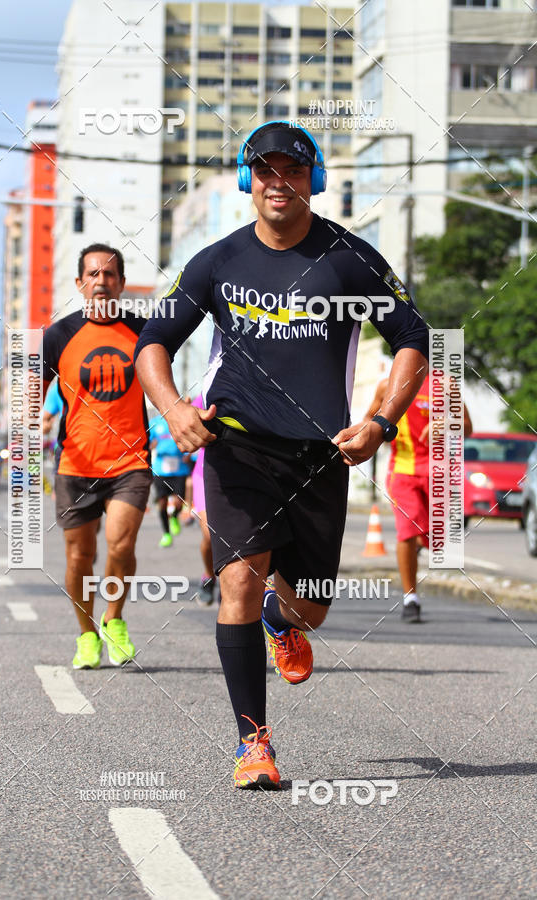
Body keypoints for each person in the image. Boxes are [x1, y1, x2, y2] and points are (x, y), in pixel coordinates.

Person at [135, 120, 430, 789]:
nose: (278, 183)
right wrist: (176, 409)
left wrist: (383, 420)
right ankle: (253, 745)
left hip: (322, 455)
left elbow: (414, 337)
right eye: (265, 171)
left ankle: (282, 619)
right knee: (238, 577)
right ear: (248, 180)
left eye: (292, 171)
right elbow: (153, 341)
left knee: (311, 606)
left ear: (312, 180)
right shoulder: (218, 261)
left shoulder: (351, 259)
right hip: (236, 444)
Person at [42, 243, 152, 670]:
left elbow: (161, 381)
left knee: (120, 543)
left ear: (121, 283)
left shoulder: (144, 332)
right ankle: (86, 633)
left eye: (109, 275)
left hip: (130, 461)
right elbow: (35, 389)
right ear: (79, 283)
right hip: (76, 464)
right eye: (93, 274)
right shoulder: (59, 335)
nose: (101, 282)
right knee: (78, 557)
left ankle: (115, 619)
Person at [365, 374, 473, 622]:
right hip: (402, 471)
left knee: (433, 541)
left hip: (438, 473)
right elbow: (369, 420)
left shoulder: (446, 385)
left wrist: (447, 423)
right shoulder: (387, 385)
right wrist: (376, 432)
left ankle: (418, 547)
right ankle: (410, 598)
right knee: (408, 528)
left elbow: (467, 426)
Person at [149, 414, 191, 548]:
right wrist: (151, 445)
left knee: (179, 501)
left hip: (179, 469)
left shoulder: (180, 419)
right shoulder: (154, 423)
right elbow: (146, 443)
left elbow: (188, 439)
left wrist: (188, 453)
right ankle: (166, 534)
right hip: (160, 470)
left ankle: (174, 516)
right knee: (162, 503)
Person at [190, 395, 217, 606]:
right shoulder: (204, 396)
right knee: (210, 533)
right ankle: (209, 576)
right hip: (206, 469)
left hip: (247, 468)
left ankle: (231, 584)